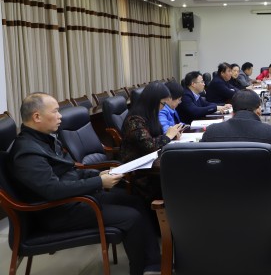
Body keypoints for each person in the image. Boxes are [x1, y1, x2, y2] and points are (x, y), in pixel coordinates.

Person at [8, 93, 161, 275]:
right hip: (58, 212)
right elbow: (53, 190)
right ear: (37, 117)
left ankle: (153, 263)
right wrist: (98, 182)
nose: (60, 116)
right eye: (55, 111)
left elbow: (70, 170)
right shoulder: (27, 152)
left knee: (135, 200)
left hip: (75, 199)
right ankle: (141, 270)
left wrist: (98, 174)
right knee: (131, 218)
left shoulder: (45, 139)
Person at [202, 89, 271, 194]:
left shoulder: (211, 132)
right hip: (265, 201)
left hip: (221, 200)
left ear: (233, 111)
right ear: (259, 110)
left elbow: (199, 165)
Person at [121, 82, 183, 200]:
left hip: (153, 161)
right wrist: (167, 137)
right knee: (177, 173)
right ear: (153, 101)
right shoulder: (134, 120)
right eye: (163, 103)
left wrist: (172, 135)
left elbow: (155, 137)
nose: (163, 107)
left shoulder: (150, 115)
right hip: (140, 170)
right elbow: (149, 145)